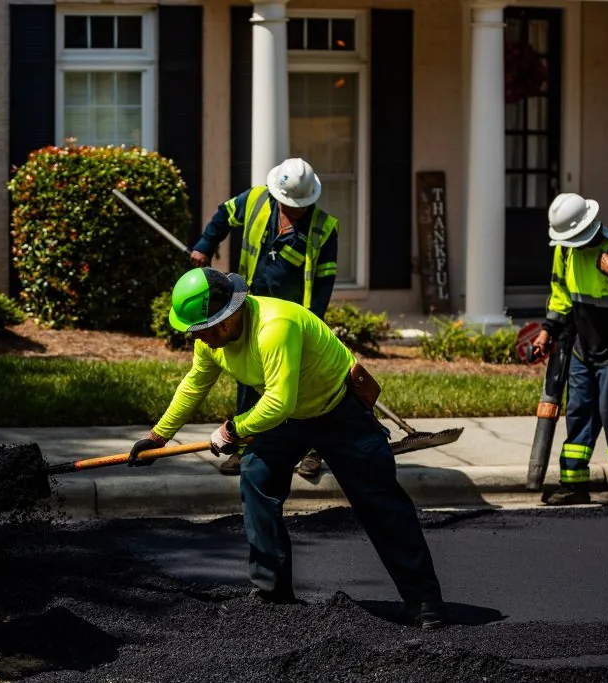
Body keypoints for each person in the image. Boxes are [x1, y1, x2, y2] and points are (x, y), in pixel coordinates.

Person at [127, 268, 447, 628]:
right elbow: (194, 384)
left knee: (379, 500)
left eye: (202, 329)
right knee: (256, 475)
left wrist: (233, 430)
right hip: (291, 416)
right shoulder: (209, 340)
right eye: (194, 331)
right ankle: (272, 592)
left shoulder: (275, 326)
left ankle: (425, 603)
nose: (198, 337)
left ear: (227, 317)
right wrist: (158, 437)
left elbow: (278, 401)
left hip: (338, 410)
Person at [190, 157, 338, 478]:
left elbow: (323, 282)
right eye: (290, 204)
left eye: (301, 205)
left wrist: (314, 326)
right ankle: (243, 449)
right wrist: (206, 244)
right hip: (251, 307)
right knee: (250, 381)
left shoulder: (324, 230)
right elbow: (223, 216)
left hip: (293, 319)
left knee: (300, 385)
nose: (295, 210)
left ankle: (311, 451)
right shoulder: (255, 201)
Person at [531, 193, 608, 506]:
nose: (569, 243)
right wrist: (547, 330)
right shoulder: (566, 252)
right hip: (582, 350)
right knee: (578, 414)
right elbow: (560, 294)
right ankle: (574, 485)